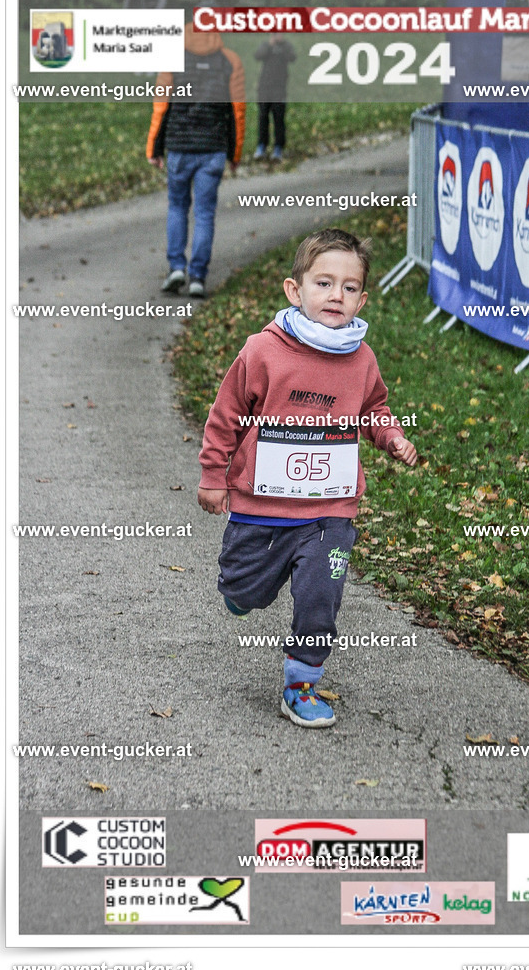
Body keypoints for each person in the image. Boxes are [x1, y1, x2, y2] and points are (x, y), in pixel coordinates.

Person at [197, 229, 417, 728]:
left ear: (363, 298)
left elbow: (374, 408)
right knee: (245, 591)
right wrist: (214, 474)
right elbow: (226, 414)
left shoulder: (361, 359)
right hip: (262, 506)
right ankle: (242, 587)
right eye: (323, 283)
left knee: (321, 596)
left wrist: (391, 437)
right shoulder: (263, 351)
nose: (336, 294)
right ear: (295, 291)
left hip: (329, 510)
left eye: (349, 286)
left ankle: (301, 683)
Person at [146, 20, 245, 298]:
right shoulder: (230, 61)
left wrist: (153, 148)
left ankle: (176, 267)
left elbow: (161, 106)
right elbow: (238, 110)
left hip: (179, 147)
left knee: (177, 207)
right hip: (212, 150)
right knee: (204, 213)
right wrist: (235, 152)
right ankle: (198, 276)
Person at [253, 34, 296, 161]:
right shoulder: (266, 45)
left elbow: (292, 58)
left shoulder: (287, 46)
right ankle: (261, 146)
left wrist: (282, 46)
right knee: (263, 117)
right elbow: (258, 56)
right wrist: (270, 45)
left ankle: (278, 147)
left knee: (279, 118)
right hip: (264, 88)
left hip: (279, 89)